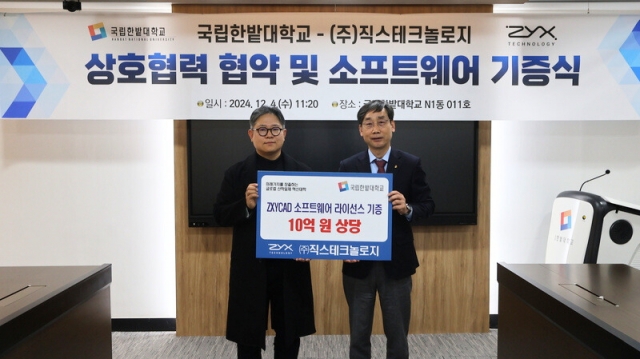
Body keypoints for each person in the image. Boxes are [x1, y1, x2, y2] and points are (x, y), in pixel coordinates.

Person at [213, 106, 316, 359]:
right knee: (248, 332)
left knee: (289, 330)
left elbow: (313, 217)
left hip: (290, 264)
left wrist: (309, 247)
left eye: (274, 129)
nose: (269, 134)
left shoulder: (302, 172)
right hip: (251, 265)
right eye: (262, 129)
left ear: (284, 133)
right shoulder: (236, 173)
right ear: (251, 134)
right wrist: (245, 205)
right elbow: (220, 214)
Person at [338, 100, 435, 359]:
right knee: (358, 336)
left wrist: (407, 208)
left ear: (392, 126)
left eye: (382, 122)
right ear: (361, 130)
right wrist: (342, 246)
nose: (376, 129)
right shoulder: (348, 166)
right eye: (369, 124)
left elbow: (427, 205)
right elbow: (338, 211)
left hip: (397, 264)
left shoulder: (411, 163)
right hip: (358, 264)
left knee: (397, 335)